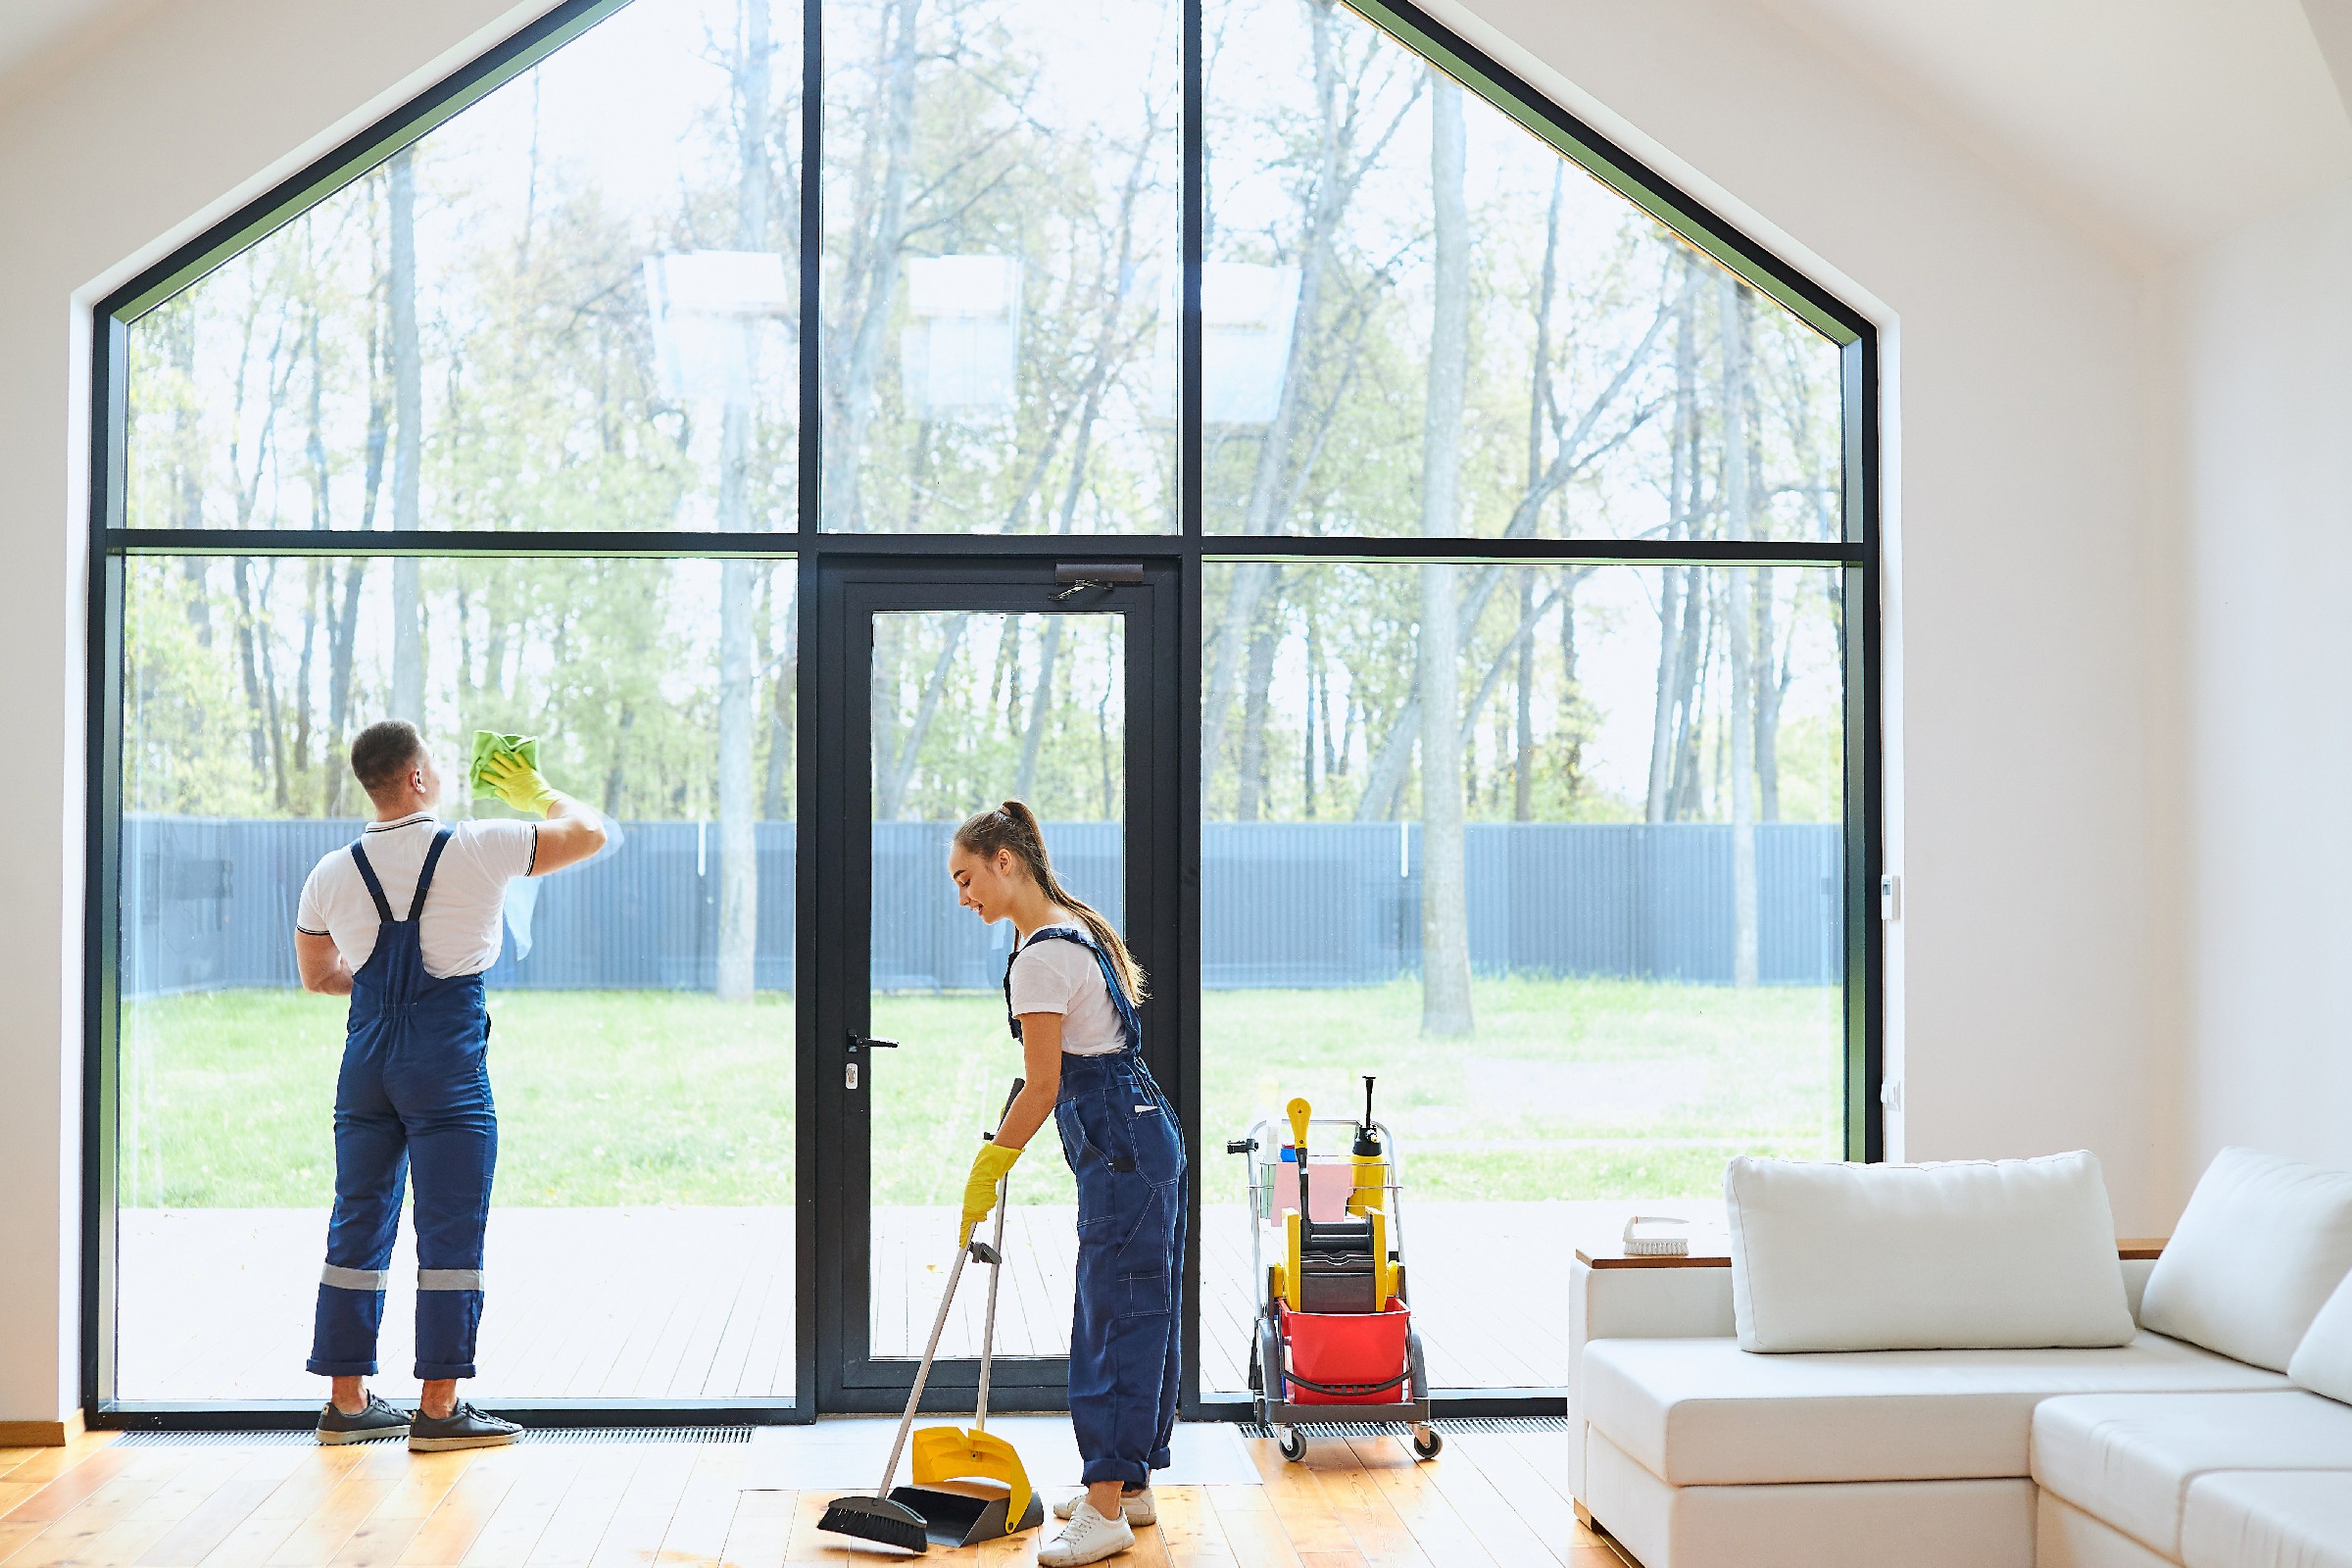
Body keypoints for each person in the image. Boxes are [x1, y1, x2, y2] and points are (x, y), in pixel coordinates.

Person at [293, 720, 605, 1449]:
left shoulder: (330, 873)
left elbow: (318, 977)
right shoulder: (478, 846)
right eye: (434, 760)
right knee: (449, 1229)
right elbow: (587, 832)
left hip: (366, 1064)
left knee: (357, 1221)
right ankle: (438, 1411)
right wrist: (538, 793)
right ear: (416, 780)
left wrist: (379, 995)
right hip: (445, 1065)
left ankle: (347, 1403)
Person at [948, 802, 1183, 1568]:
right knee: (1141, 1310)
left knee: (1111, 1317)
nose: (964, 896)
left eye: (967, 878)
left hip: (1122, 1149)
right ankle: (1131, 1484)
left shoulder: (1040, 957)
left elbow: (1044, 1085)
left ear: (1004, 861)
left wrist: (992, 1162)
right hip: (1144, 1138)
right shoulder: (1070, 926)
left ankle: (1106, 1507)